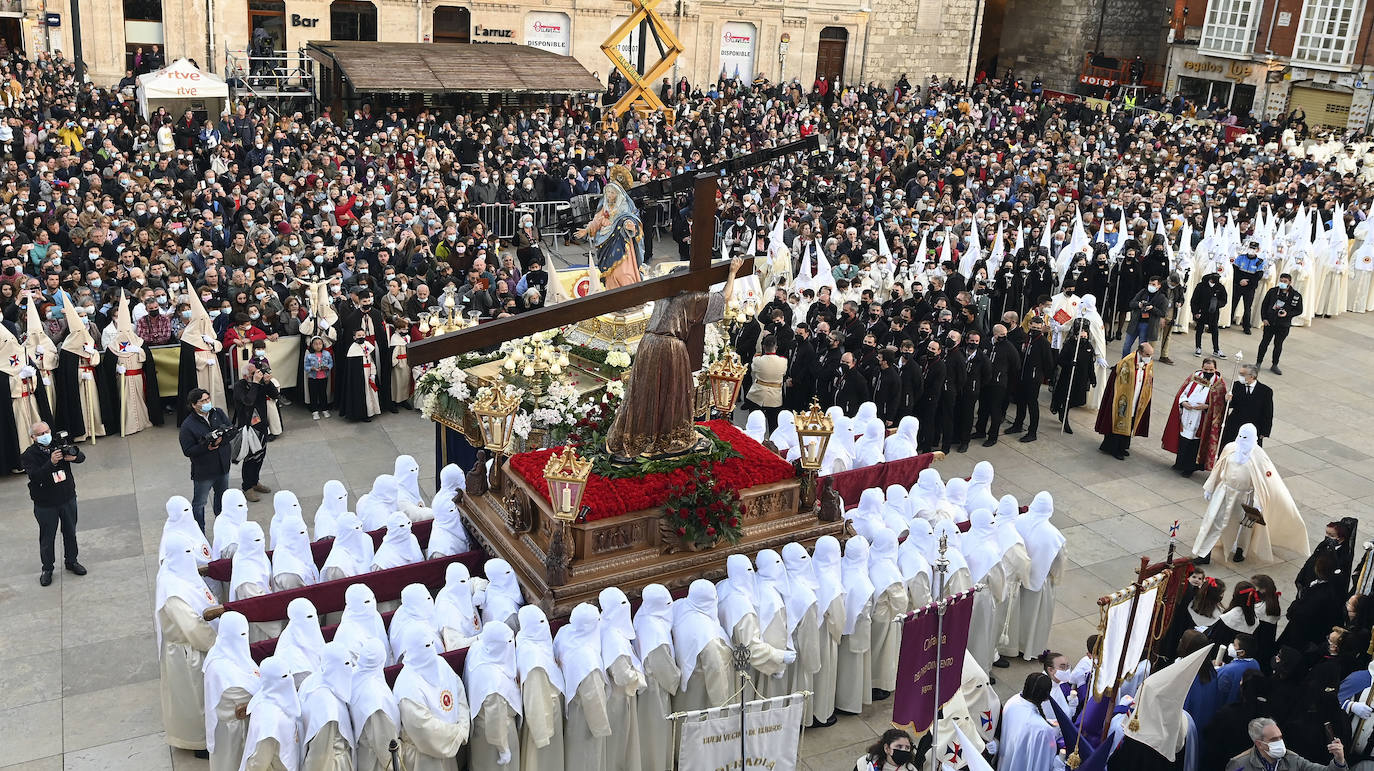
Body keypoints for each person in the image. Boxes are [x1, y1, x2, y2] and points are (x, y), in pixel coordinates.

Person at [604, 257, 741, 459]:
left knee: (645, 391)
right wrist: (732, 273)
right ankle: (666, 437)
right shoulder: (690, 298)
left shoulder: (663, 296)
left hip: (647, 344)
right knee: (673, 393)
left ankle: (637, 435)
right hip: (670, 346)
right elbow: (724, 297)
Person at [1193, 423, 1307, 565]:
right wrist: (1210, 487)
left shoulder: (1259, 456)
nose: (1241, 440)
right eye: (1240, 436)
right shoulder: (1230, 448)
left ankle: (1241, 550)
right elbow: (1219, 467)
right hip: (1225, 491)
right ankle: (1204, 553)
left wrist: (1258, 504)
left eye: (1245, 437)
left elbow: (1262, 481)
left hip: (1246, 496)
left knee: (1245, 526)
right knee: (1213, 520)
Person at [156, 531, 220, 758]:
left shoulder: (176, 574)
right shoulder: (173, 592)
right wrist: (217, 641)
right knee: (195, 699)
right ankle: (199, 742)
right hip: (187, 652)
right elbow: (192, 627)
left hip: (190, 648)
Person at [21, 420, 85, 585]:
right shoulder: (29, 455)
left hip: (67, 498)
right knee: (47, 538)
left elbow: (81, 457)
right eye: (41, 434)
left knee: (70, 532)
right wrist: (51, 463)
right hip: (46, 504)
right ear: (34, 437)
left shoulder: (59, 444)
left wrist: (74, 456)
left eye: (47, 431)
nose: (45, 435)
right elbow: (35, 476)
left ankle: (72, 561)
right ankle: (47, 568)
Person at [1161, 357, 1229, 476]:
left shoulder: (1219, 384)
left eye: (1211, 370)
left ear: (1215, 369)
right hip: (1187, 413)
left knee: (1194, 443)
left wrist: (1206, 406)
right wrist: (1183, 402)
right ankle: (1179, 463)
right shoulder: (1195, 376)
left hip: (1202, 417)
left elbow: (1220, 405)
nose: (1208, 372)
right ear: (1202, 368)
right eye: (1206, 369)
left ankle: (1189, 468)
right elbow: (1183, 392)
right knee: (1183, 439)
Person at [180, 388, 234, 530]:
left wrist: (220, 440)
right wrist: (206, 447)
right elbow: (188, 450)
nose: (207, 403)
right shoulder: (188, 425)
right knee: (200, 503)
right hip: (204, 470)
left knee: (222, 498)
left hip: (223, 466)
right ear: (193, 405)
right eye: (203, 401)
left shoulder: (218, 413)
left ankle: (222, 527)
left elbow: (230, 431)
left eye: (208, 399)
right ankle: (199, 531)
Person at [1094, 341, 1155, 461]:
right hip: (1124, 398)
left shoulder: (1148, 362)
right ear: (1141, 352)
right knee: (1121, 420)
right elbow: (1120, 380)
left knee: (1131, 421)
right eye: (1148, 355)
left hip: (1137, 396)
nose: (1150, 358)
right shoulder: (1128, 361)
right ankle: (1114, 448)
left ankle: (1123, 446)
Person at [1225, 717, 1347, 770]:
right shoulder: (1239, 764)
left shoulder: (1293, 760)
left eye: (1280, 737)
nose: (1279, 742)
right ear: (1259, 744)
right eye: (1273, 739)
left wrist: (1339, 760)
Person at [231, 363, 276, 502]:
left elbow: (275, 395)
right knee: (250, 458)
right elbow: (248, 401)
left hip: (261, 426)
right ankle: (247, 487)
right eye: (253, 374)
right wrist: (256, 383)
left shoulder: (261, 383)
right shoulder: (239, 386)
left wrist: (268, 383)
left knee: (260, 456)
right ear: (245, 376)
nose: (257, 375)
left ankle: (255, 482)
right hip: (248, 428)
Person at [1007, 315, 1053, 443]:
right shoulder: (1027, 338)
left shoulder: (1043, 343)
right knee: (1020, 401)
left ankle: (1032, 432)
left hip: (1033, 378)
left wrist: (1045, 377)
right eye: (1033, 327)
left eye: (1038, 328)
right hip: (1022, 376)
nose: (1035, 330)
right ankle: (1018, 424)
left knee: (1032, 404)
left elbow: (1048, 363)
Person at [1256, 272, 1304, 375]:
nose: (1282, 283)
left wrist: (1287, 314)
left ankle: (1274, 365)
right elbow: (1264, 305)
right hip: (1270, 323)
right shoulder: (1272, 292)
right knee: (1264, 343)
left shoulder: (1295, 295)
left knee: (1278, 345)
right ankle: (1258, 363)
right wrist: (1264, 318)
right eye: (1281, 281)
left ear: (1290, 282)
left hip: (1283, 325)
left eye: (1285, 281)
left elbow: (1299, 310)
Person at [1221, 364, 1274, 448]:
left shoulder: (1265, 391)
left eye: (1243, 374)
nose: (1240, 376)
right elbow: (1232, 404)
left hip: (1253, 427)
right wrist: (1227, 400)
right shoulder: (1237, 385)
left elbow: (1268, 412)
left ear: (1252, 376)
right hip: (1235, 425)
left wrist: (1265, 431)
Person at [744, 334, 786, 433]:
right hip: (774, 397)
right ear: (776, 347)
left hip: (757, 394)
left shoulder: (757, 360)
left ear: (763, 347)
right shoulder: (783, 361)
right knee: (773, 425)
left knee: (754, 423)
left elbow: (753, 370)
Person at [1192, 272, 1229, 357]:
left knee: (1215, 331)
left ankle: (1216, 350)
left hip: (1213, 313)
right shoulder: (1201, 286)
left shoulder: (1220, 287)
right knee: (1199, 329)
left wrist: (1217, 304)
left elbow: (1224, 300)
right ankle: (1198, 347)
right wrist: (1195, 312)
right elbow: (1194, 300)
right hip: (1202, 311)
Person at [855, 728, 919, 770]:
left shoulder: (911, 769)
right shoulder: (865, 763)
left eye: (907, 747)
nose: (904, 750)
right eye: (899, 746)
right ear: (887, 748)